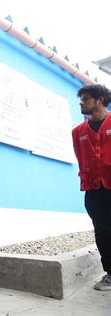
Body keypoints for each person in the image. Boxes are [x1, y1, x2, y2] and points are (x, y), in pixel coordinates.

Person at [72, 84, 111, 291]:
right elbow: (81, 157)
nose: (81, 102)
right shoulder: (77, 132)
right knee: (102, 231)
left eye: (86, 98)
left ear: (100, 100)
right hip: (94, 189)